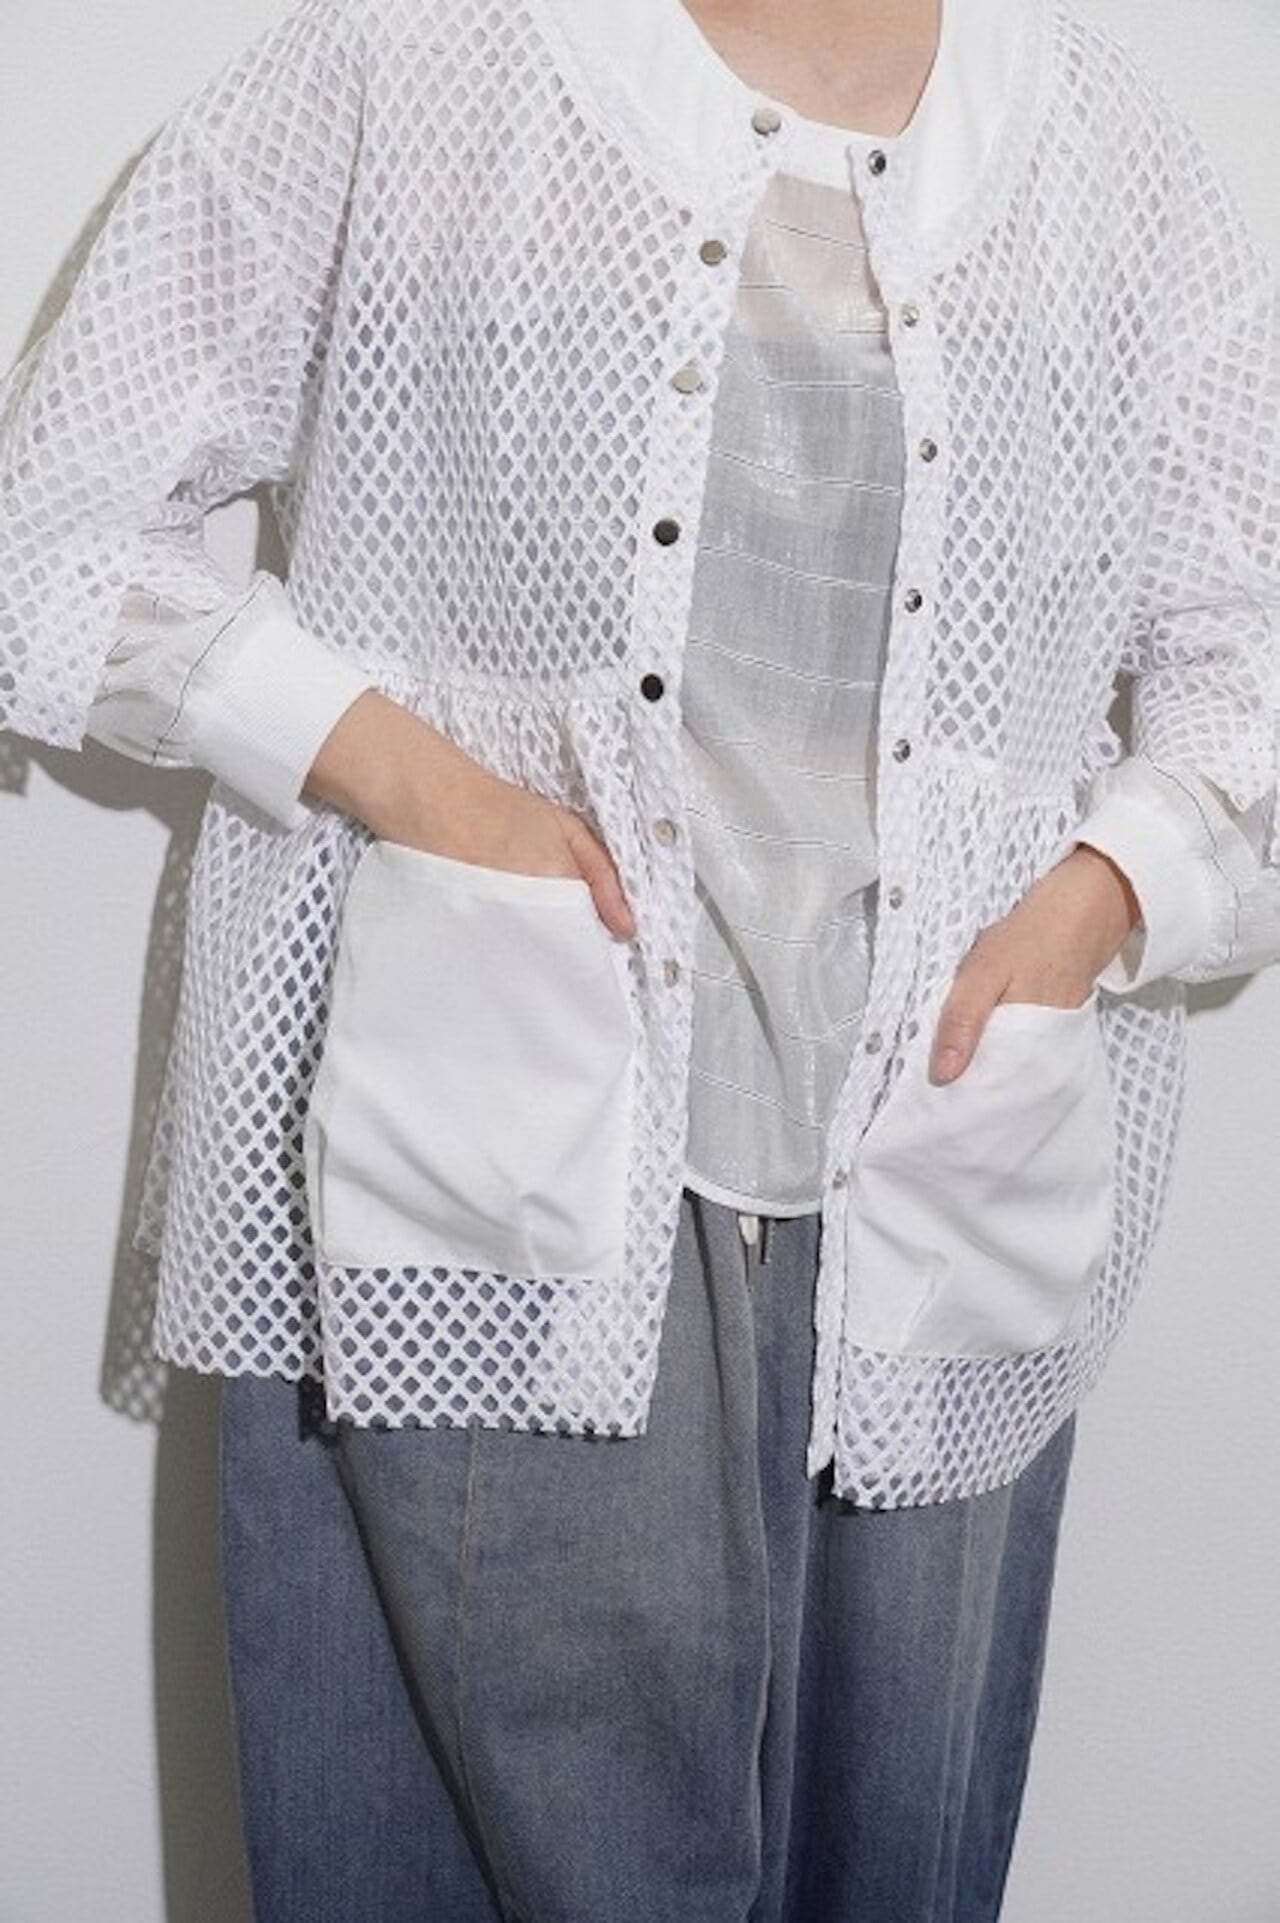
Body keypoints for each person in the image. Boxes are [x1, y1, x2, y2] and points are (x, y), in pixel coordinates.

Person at [2, 0, 1276, 1916]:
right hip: (496, 1132)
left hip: (934, 1172)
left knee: (892, 1866)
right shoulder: (418, 64)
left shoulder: (1109, 158)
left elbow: (1251, 645)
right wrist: (431, 789)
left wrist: (1097, 896)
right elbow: (52, 532)